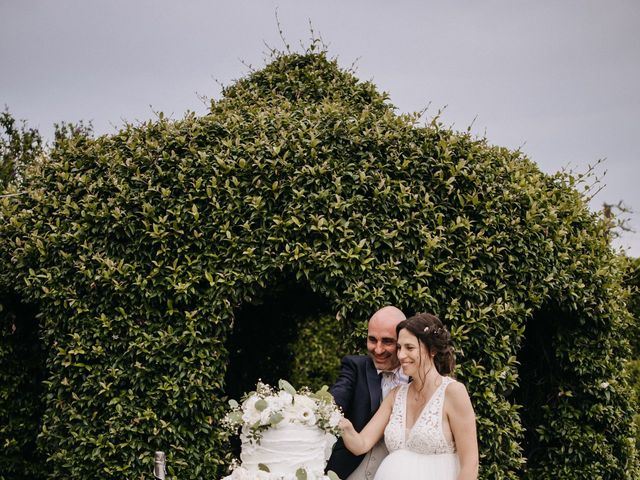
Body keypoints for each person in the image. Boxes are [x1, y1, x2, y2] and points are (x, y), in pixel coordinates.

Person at [339, 313, 479, 480]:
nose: (401, 355)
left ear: (432, 350)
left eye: (409, 348)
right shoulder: (396, 395)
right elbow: (361, 444)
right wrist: (337, 421)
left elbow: (470, 465)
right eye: (399, 347)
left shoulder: (453, 392)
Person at [327, 306, 408, 480]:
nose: (378, 350)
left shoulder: (418, 378)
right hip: (351, 467)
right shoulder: (355, 367)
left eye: (387, 341)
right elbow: (338, 394)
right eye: (372, 340)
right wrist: (325, 408)